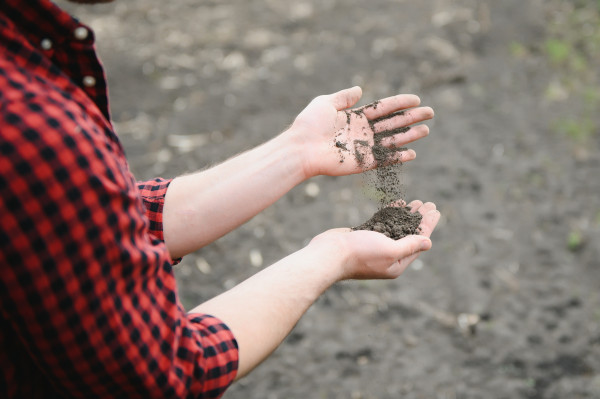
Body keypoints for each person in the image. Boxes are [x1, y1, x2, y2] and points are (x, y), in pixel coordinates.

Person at [0, 0, 441, 398]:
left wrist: (297, 152)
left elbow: (87, 223)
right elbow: (162, 374)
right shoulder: (32, 123)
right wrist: (334, 255)